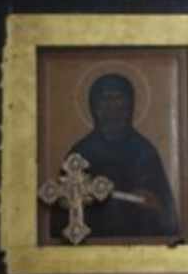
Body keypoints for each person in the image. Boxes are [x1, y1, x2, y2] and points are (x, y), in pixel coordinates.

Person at [52, 73, 177, 240]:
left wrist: (154, 207)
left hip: (137, 239)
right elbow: (62, 207)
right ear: (95, 106)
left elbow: (166, 217)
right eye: (105, 98)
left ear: (129, 105)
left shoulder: (144, 152)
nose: (112, 105)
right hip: (91, 239)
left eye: (118, 98)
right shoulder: (81, 153)